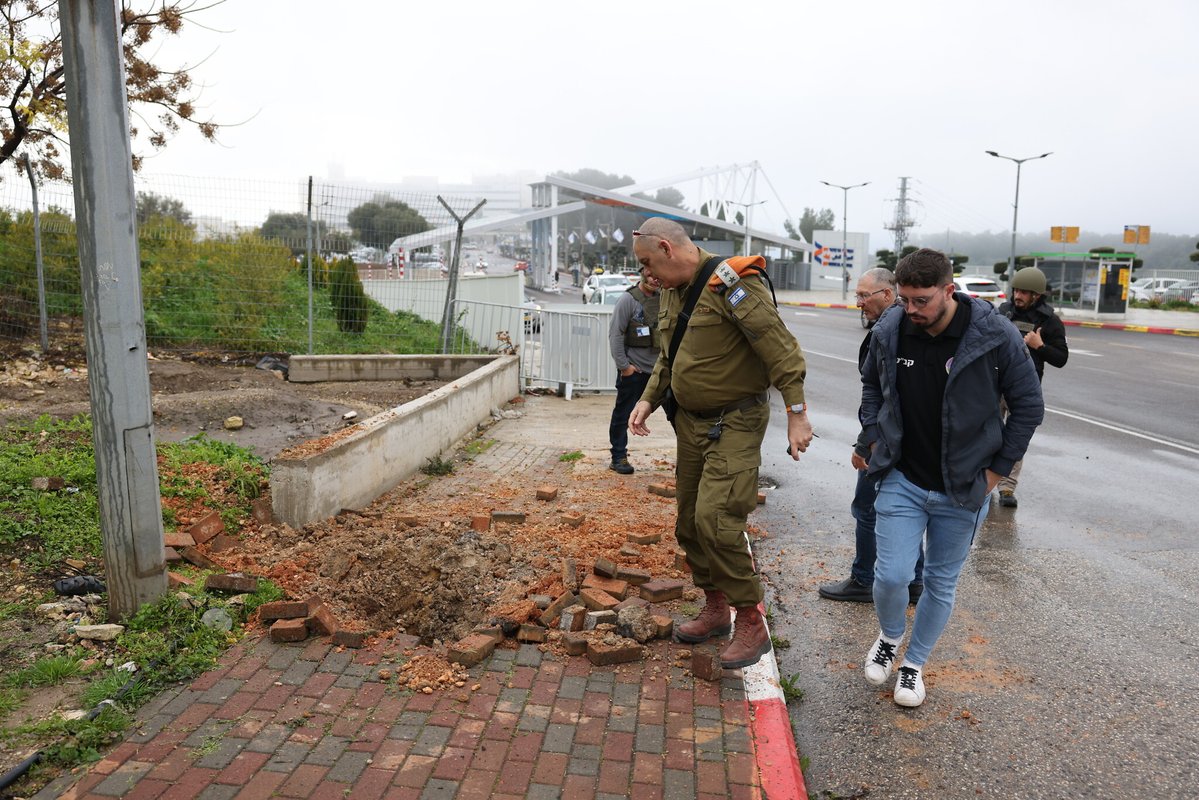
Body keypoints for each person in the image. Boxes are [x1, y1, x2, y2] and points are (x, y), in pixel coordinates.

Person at [857, 249, 1043, 707]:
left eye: (921, 300)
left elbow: (1028, 407)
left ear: (948, 289)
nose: (911, 310)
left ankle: (914, 665)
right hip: (902, 475)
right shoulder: (891, 327)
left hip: (963, 487)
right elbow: (871, 384)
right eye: (904, 299)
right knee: (891, 575)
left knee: (940, 582)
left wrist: (996, 473)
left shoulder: (993, 334)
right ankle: (889, 635)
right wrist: (873, 436)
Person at [628, 217, 813, 670]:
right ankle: (715, 608)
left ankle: (750, 619)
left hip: (736, 421)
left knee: (717, 518)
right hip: (691, 425)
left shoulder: (733, 283)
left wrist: (796, 413)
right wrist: (649, 399)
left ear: (668, 249)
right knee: (690, 522)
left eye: (649, 263)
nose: (647, 275)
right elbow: (670, 357)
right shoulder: (673, 291)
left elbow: (780, 349)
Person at [819, 268, 925, 604]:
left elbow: (883, 395)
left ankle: (864, 579)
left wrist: (865, 444)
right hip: (905, 438)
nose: (859, 303)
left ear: (888, 295)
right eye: (857, 296)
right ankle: (915, 582)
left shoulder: (888, 330)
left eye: (865, 296)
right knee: (906, 509)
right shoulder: (901, 325)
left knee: (867, 507)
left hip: (886, 440)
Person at [995, 266, 1069, 508]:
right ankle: (982, 480)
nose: (1018, 296)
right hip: (995, 383)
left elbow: (1061, 358)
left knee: (1015, 437)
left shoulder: (1050, 321)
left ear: (1036, 295)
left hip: (1025, 387)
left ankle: (1007, 487)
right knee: (988, 431)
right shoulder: (1004, 312)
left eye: (1024, 292)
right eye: (1016, 290)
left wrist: (1039, 346)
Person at [607, 264, 662, 474]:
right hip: (635, 371)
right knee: (622, 415)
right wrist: (625, 367)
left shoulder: (667, 299)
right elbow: (616, 335)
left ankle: (688, 461)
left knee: (678, 416)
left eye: (658, 274)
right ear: (642, 271)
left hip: (661, 372)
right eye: (650, 271)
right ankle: (618, 457)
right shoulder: (628, 300)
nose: (654, 277)